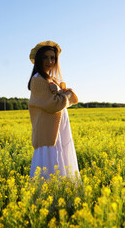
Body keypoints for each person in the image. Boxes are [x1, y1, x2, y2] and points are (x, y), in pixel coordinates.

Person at [28, 41, 80, 180]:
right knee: (50, 166)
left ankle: (61, 197)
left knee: (60, 164)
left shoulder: (52, 79)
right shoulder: (37, 80)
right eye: (45, 57)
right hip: (48, 134)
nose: (49, 61)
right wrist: (67, 94)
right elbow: (54, 105)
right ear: (38, 59)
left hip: (58, 132)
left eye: (53, 58)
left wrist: (62, 94)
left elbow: (60, 99)